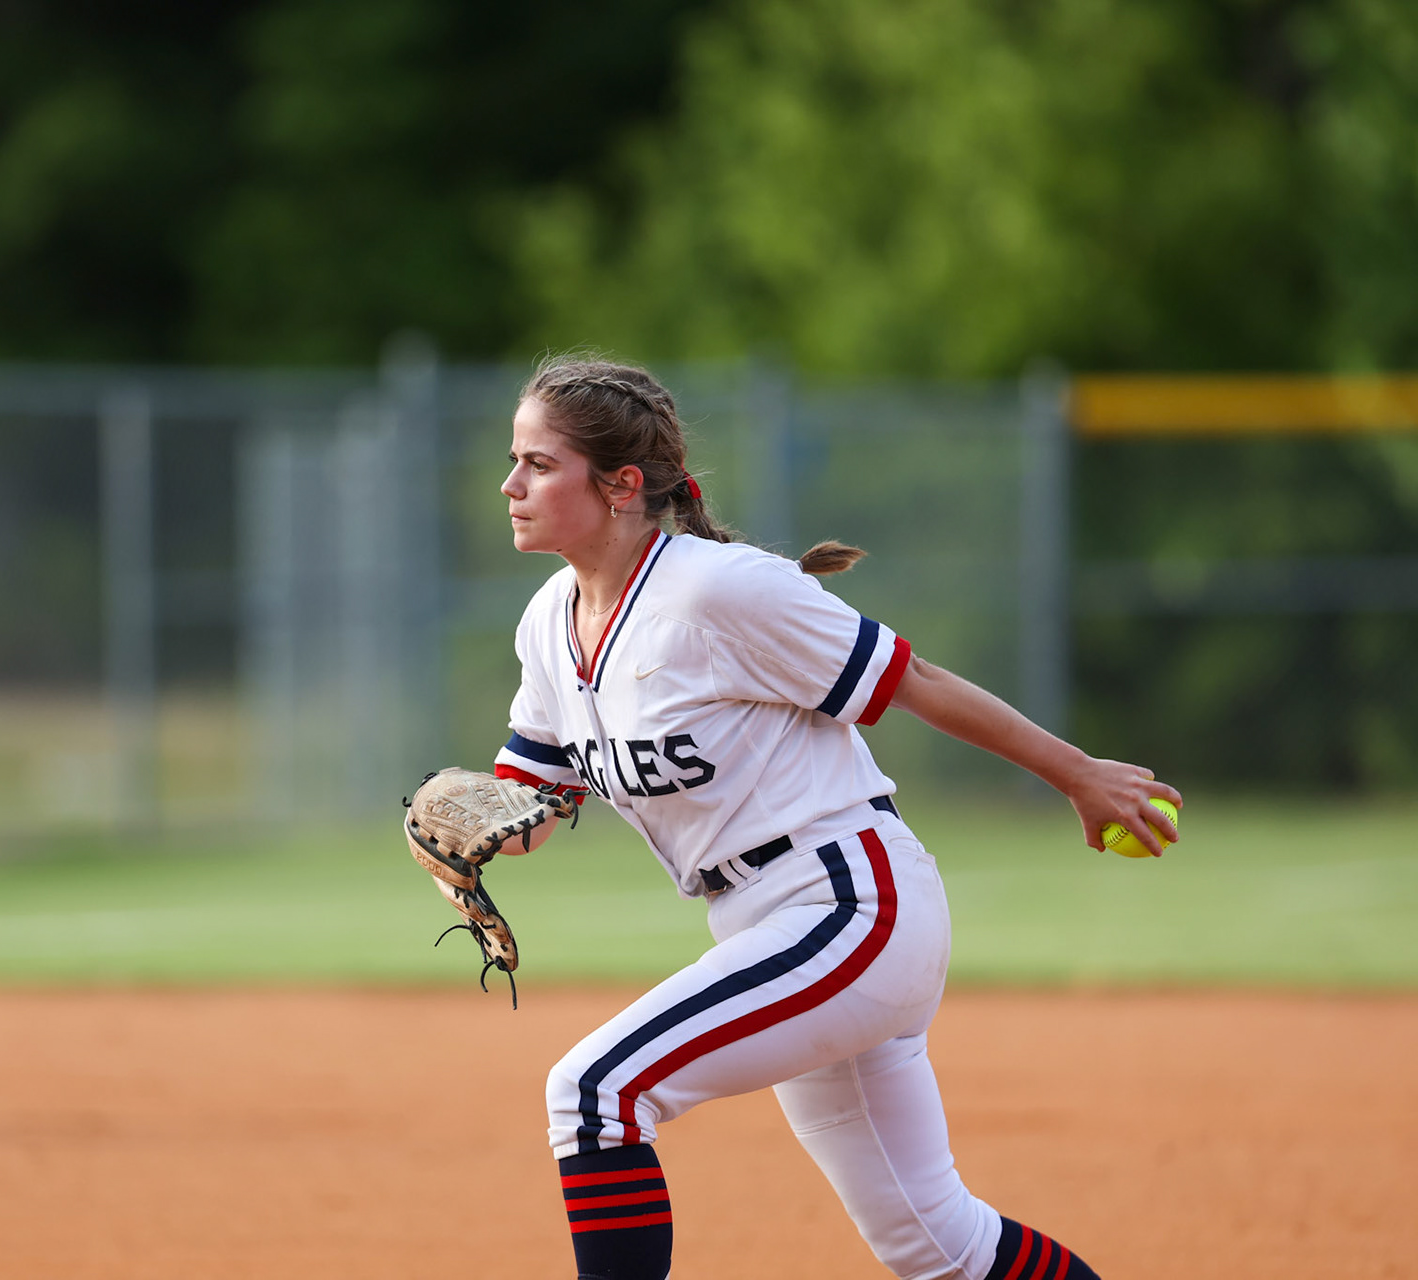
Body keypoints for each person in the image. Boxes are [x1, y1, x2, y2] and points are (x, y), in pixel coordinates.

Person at [488, 356, 1180, 1280]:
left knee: (595, 1091)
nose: (511, 484)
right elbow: (532, 809)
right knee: (937, 1243)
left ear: (620, 486)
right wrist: (458, 829)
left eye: (538, 463)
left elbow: (913, 679)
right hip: (767, 925)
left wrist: (1077, 774)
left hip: (852, 904)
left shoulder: (715, 590)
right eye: (516, 460)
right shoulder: (548, 622)